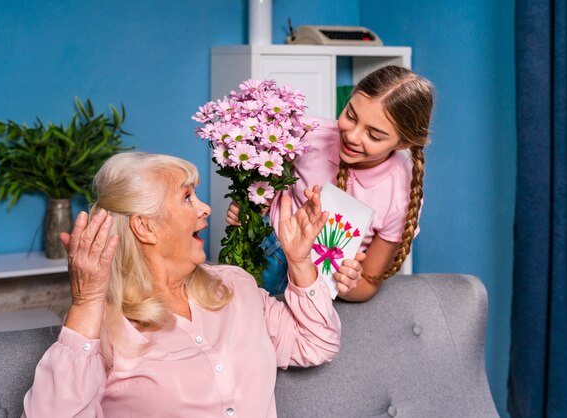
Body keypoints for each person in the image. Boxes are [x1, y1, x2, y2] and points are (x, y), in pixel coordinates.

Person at [22, 152, 362, 417]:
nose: (205, 209)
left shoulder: (235, 287)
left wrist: (300, 261)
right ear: (145, 227)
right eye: (187, 198)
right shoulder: (105, 329)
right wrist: (86, 303)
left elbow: (317, 344)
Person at [227, 65, 434, 302]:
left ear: (403, 143)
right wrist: (250, 207)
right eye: (351, 115)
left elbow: (367, 283)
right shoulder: (310, 134)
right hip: (263, 251)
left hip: (315, 287)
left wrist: (349, 282)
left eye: (374, 136)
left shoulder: (401, 195)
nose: (352, 136)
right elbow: (268, 186)